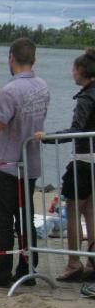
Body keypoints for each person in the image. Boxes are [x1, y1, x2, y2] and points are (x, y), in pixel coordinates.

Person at [0, 37, 49, 288]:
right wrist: (0, 101)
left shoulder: (13, 90)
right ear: (34, 59)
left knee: (3, 221)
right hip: (30, 162)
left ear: (11, 58)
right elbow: (21, 114)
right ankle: (28, 267)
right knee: (25, 219)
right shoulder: (42, 86)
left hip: (7, 164)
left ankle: (1, 271)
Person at [36, 48, 95, 281]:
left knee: (73, 212)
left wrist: (47, 137)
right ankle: (92, 261)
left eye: (74, 69)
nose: (72, 73)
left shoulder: (86, 97)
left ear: (82, 71)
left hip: (83, 161)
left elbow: (77, 129)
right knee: (90, 212)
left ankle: (73, 262)